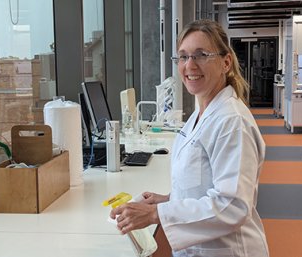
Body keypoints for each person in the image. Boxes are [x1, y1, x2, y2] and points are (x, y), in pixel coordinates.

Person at [110, 19, 269, 257]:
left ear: (226, 63)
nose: (189, 65)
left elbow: (233, 205)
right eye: (183, 57)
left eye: (201, 55)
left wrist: (156, 215)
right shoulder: (201, 113)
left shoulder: (231, 122)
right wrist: (166, 201)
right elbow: (205, 183)